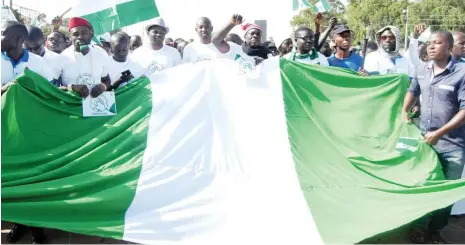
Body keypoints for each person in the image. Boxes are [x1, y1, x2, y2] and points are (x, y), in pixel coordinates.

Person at [403, 31, 465, 244]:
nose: (430, 47)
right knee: (424, 185)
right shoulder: (422, 68)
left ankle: (435, 230)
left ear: (449, 48)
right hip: (425, 144)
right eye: (429, 43)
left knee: (445, 192)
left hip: (453, 145)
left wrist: (439, 133)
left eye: (437, 43)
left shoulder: (462, 72)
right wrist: (405, 111)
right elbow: (413, 89)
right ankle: (418, 227)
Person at [56, 17, 111, 98]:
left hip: (94, 106)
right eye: (75, 34)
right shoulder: (62, 58)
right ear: (70, 36)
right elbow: (53, 88)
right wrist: (72, 87)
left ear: (91, 34)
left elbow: (106, 80)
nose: (80, 37)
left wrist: (103, 86)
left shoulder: (101, 55)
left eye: (84, 32)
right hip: (71, 106)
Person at [2, 21, 54, 95]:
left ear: (19, 39)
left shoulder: (40, 62)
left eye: (2, 34)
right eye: (28, 48)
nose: (33, 51)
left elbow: (50, 91)